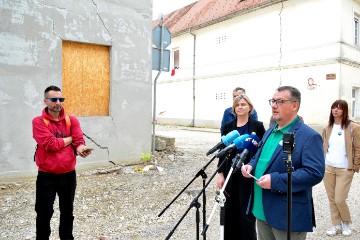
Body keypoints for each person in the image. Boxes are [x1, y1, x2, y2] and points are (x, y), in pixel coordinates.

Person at [241, 86, 325, 240]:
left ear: (295, 105)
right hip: (261, 210)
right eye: (273, 101)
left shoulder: (309, 136)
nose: (274, 105)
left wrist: (275, 180)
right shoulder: (270, 131)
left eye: (280, 101)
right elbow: (259, 155)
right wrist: (251, 165)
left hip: (286, 216)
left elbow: (314, 173)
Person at [32, 85, 91, 240]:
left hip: (68, 175)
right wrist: (71, 139)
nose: (58, 102)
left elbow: (79, 141)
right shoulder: (38, 122)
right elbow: (51, 145)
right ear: (45, 101)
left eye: (60, 99)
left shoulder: (71, 120)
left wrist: (81, 148)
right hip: (47, 176)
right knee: (44, 212)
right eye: (53, 99)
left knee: (67, 211)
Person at [216, 94, 265, 240]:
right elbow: (222, 151)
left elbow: (260, 150)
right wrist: (220, 174)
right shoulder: (228, 127)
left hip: (247, 173)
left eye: (243, 104)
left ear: (249, 107)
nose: (240, 107)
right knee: (229, 210)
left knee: (246, 212)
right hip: (230, 172)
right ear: (233, 108)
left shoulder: (257, 126)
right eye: (237, 105)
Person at [321, 99, 360, 237]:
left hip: (345, 169)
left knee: (339, 199)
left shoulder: (352, 127)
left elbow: (358, 147)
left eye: (339, 108)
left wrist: (355, 166)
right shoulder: (327, 127)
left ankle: (346, 223)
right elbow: (323, 146)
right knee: (332, 199)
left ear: (345, 110)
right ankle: (336, 225)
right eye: (333, 107)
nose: (335, 110)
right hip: (328, 168)